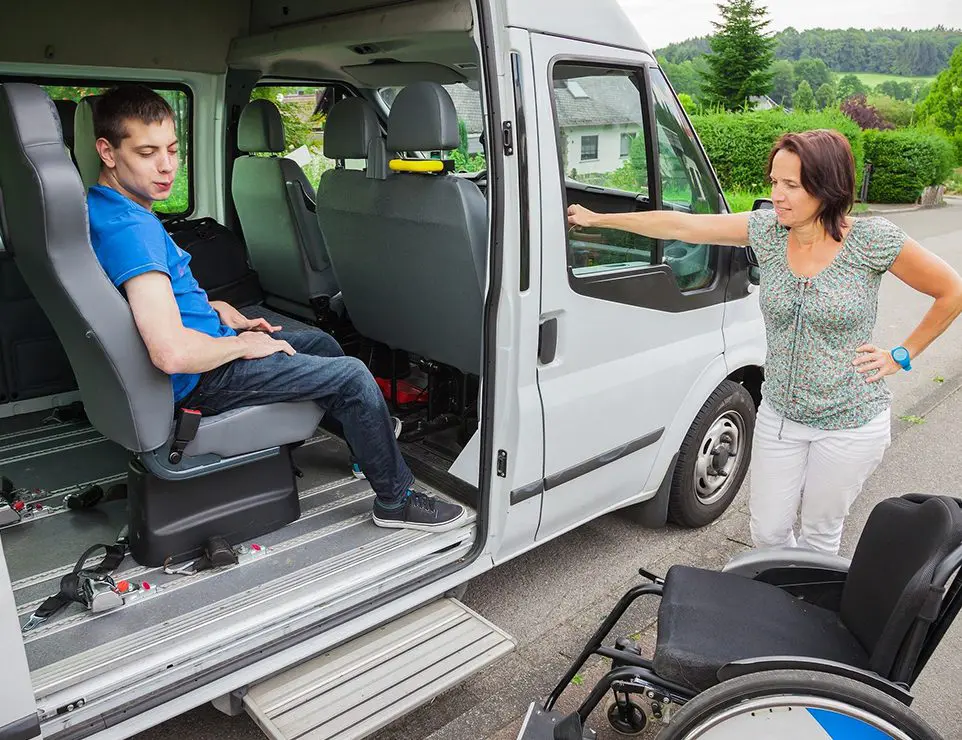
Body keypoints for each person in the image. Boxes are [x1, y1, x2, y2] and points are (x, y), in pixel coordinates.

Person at [85, 84, 466, 533]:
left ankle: (368, 443)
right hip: (201, 379)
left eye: (171, 149)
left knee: (321, 342)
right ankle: (396, 500)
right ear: (108, 152)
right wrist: (243, 346)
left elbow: (145, 301)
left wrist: (216, 308)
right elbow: (171, 353)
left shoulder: (104, 207)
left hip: (207, 348)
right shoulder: (134, 232)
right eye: (147, 153)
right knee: (353, 377)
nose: (167, 166)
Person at [568, 129, 962, 555]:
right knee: (769, 533)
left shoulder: (872, 241)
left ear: (827, 186)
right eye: (775, 182)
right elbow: (684, 225)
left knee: (819, 535)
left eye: (791, 185)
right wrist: (599, 220)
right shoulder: (767, 232)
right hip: (780, 415)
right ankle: (782, 587)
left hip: (849, 423)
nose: (778, 194)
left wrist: (902, 354)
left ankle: (801, 610)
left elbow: (951, 291)